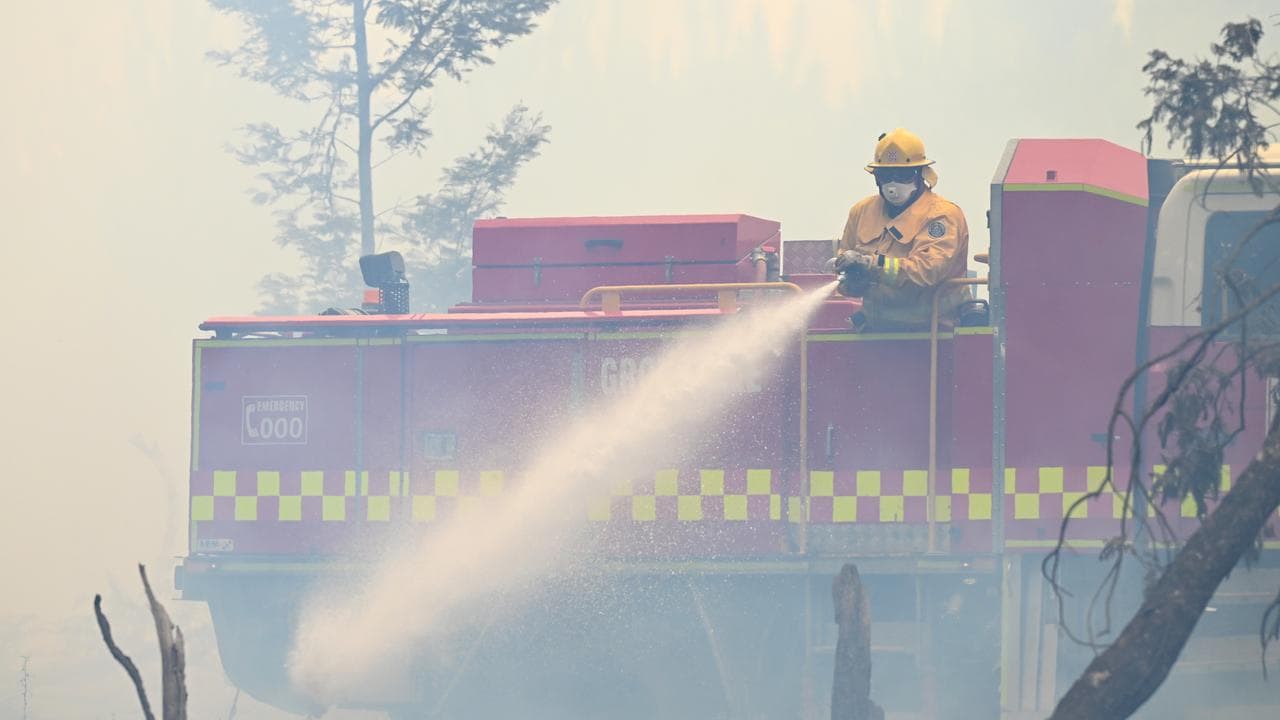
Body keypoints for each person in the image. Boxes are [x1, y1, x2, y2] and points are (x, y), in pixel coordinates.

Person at [826, 128, 970, 331]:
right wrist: (852, 280)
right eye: (885, 175)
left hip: (932, 333)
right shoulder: (862, 212)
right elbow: (845, 272)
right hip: (876, 332)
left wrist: (870, 264)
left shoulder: (942, 215)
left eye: (902, 175)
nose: (893, 184)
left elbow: (928, 270)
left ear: (920, 174)